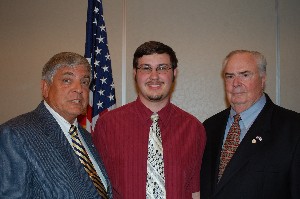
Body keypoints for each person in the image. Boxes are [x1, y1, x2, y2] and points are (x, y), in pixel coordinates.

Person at [93, 41, 206, 198]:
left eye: (162, 68)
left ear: (174, 73)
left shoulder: (193, 128)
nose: (154, 76)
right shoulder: (107, 125)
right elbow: (97, 188)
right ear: (135, 73)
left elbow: (195, 192)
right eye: (146, 68)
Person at [0, 52, 112, 199]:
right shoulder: (15, 134)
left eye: (84, 82)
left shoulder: (87, 138)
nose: (79, 89)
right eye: (67, 80)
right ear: (45, 87)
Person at [200, 50, 300, 199]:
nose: (236, 83)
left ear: (263, 78)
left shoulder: (293, 128)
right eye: (230, 76)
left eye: (245, 75)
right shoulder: (209, 127)